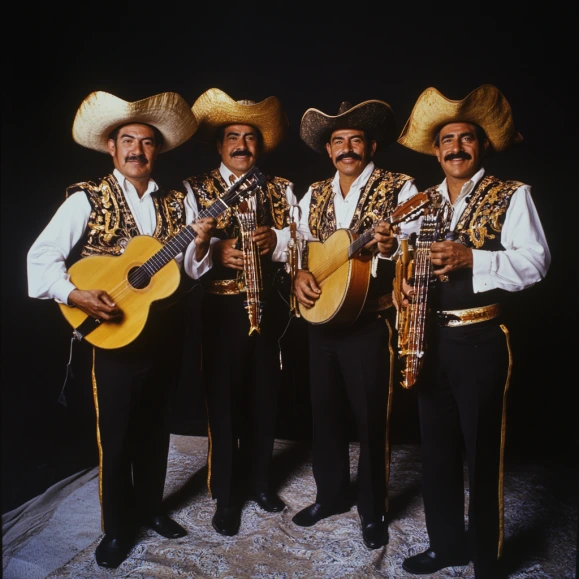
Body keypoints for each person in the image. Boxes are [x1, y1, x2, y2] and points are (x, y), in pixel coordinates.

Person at [27, 91, 216, 569]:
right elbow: (40, 257)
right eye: (127, 140)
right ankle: (116, 527)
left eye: (147, 142)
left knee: (156, 427)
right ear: (111, 148)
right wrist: (74, 294)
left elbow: (190, 270)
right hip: (113, 333)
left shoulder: (179, 200)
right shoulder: (86, 197)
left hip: (165, 330)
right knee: (117, 434)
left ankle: (151, 509)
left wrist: (201, 244)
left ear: (157, 151)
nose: (137, 150)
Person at [395, 84, 551, 578]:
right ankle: (445, 547)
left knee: (482, 453)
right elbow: (400, 255)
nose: (456, 147)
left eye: (466, 138)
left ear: (482, 146)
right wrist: (401, 284)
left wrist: (472, 258)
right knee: (436, 451)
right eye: (447, 140)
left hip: (480, 340)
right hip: (427, 339)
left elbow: (536, 263)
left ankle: (486, 558)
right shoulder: (420, 202)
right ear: (436, 150)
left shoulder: (512, 194)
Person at [291, 99, 419, 550]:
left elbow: (413, 243)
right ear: (329, 150)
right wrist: (299, 274)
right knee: (324, 413)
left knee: (371, 419)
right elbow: (299, 243)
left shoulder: (401, 188)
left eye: (356, 140)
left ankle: (372, 508)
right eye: (338, 141)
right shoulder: (313, 193)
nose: (347, 149)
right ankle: (330, 496)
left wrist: (388, 245)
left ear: (371, 146)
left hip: (370, 320)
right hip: (322, 320)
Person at [182, 88, 303, 537]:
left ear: (259, 146)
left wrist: (278, 241)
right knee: (223, 399)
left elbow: (303, 240)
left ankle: (260, 482)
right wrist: (214, 250)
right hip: (221, 307)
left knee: (265, 395)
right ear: (219, 145)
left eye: (250, 138)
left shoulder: (282, 188)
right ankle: (226, 494)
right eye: (232, 137)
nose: (241, 145)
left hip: (270, 306)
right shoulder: (195, 189)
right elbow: (185, 259)